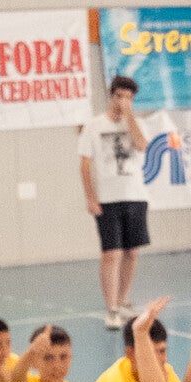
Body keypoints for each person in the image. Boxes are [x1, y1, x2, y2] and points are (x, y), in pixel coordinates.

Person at [79, 75, 152, 327]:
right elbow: (85, 163)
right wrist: (91, 197)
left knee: (131, 252)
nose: (123, 101)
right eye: (120, 96)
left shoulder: (138, 124)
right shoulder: (93, 126)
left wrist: (129, 116)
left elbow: (141, 145)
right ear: (111, 96)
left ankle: (122, 302)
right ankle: (111, 308)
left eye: (129, 98)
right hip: (108, 199)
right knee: (111, 253)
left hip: (135, 196)